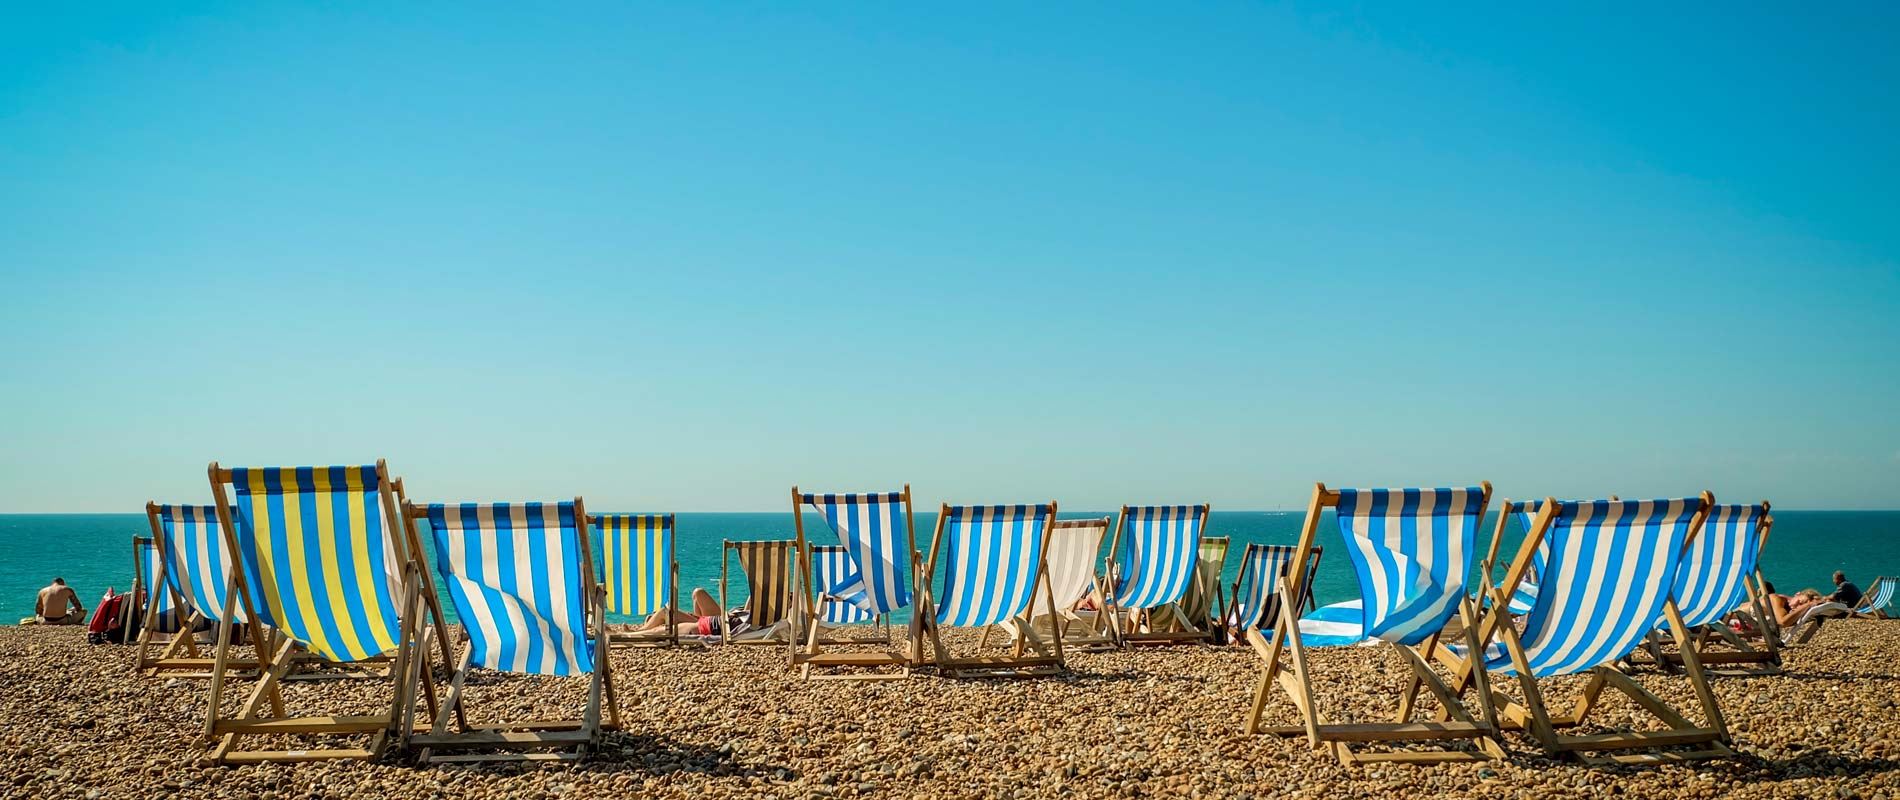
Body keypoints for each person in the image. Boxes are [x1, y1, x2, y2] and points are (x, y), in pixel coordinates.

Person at [632, 587, 726, 637]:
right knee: (698, 592)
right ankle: (642, 630)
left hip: (714, 624)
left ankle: (640, 631)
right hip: (708, 621)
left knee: (665, 611)